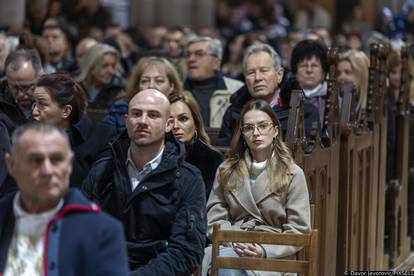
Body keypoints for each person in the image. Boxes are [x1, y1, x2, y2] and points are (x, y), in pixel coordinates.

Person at [82, 89, 207, 275]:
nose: (142, 121)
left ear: (168, 124)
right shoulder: (103, 170)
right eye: (136, 114)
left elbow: (186, 252)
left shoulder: (188, 178)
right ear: (126, 121)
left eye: (153, 115)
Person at [0, 122, 129, 275]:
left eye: (57, 160)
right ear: (12, 165)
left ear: (69, 164)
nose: (47, 171)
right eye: (35, 160)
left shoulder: (102, 231)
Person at [203, 100, 311, 276]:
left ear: (275, 130)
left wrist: (263, 249)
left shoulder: (292, 173)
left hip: (273, 254)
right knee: (215, 262)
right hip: (231, 243)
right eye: (248, 128)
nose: (256, 133)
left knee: (227, 266)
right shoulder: (227, 169)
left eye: (262, 126)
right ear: (243, 134)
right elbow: (214, 218)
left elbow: (299, 230)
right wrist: (234, 241)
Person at [32, 73, 116, 187]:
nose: (34, 112)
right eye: (34, 104)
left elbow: (96, 186)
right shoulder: (28, 133)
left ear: (65, 111)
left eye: (42, 104)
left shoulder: (103, 136)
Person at [217, 43, 285, 146]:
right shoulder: (234, 111)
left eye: (263, 70)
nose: (257, 78)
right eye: (251, 73)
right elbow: (224, 150)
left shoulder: (297, 108)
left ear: (279, 75)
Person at [0, 49, 43, 196]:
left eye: (27, 87)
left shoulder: (53, 102)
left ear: (39, 77)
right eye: (14, 87)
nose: (20, 94)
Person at [104, 56, 183, 134]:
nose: (151, 86)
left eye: (159, 81)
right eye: (145, 81)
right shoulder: (121, 108)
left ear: (171, 86)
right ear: (137, 85)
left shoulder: (181, 110)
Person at [169, 91, 224, 198]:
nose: (175, 126)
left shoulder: (213, 159)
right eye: (170, 120)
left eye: (183, 119)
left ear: (196, 124)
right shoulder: (155, 157)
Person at [184, 36, 243, 128]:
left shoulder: (236, 89)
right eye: (188, 55)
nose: (191, 59)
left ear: (216, 63)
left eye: (199, 54)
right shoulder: (177, 91)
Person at [75, 43, 126, 122]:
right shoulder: (74, 88)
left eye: (113, 66)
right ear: (91, 66)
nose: (111, 71)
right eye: (105, 66)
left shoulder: (120, 89)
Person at [290, 39, 329, 125]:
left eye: (314, 66)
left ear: (323, 71)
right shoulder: (286, 97)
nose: (309, 70)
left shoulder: (332, 98)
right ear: (295, 70)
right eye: (303, 65)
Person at [337, 49, 369, 114]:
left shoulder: (373, 103)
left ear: (361, 75)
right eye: (338, 73)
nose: (341, 77)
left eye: (347, 72)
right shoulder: (334, 104)